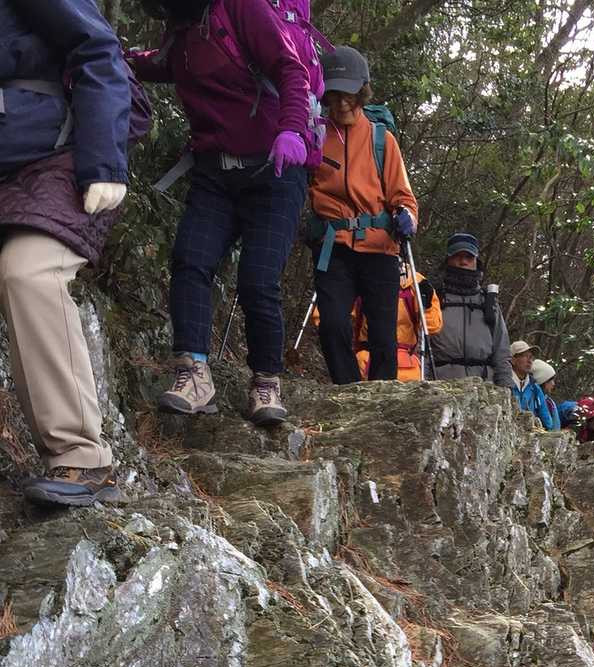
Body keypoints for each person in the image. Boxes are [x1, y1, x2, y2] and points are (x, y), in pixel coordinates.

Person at [128, 0, 319, 424]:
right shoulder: (182, 24)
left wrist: (292, 128)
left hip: (276, 169)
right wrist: (122, 59)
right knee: (190, 260)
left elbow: (291, 69)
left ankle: (266, 382)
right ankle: (194, 374)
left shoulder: (241, 7)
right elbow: (169, 64)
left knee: (258, 280)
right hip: (215, 171)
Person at [0, 0, 135, 507]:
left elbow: (96, 48)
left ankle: (83, 456)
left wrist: (103, 162)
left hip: (56, 161)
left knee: (28, 272)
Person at [308, 46, 417, 385]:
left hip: (380, 248)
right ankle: (347, 391)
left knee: (383, 335)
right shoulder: (314, 136)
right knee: (332, 324)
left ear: (362, 92)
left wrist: (407, 216)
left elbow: (403, 196)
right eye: (335, 95)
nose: (342, 103)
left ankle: (383, 397)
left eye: (349, 95)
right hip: (333, 246)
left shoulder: (382, 140)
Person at [430, 233, 512, 387]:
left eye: (469, 257)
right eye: (457, 256)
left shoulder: (488, 302)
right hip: (441, 387)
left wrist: (507, 388)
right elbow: (422, 348)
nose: (463, 262)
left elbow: (501, 351)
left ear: (476, 261)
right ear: (448, 259)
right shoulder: (434, 298)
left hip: (484, 388)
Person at [352, 257, 441, 380]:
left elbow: (432, 327)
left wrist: (428, 305)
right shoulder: (361, 278)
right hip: (369, 360)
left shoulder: (416, 283)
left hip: (405, 366)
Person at [530, 360, 560, 429]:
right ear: (542, 381)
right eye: (551, 380)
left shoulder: (549, 402)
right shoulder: (546, 402)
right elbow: (552, 427)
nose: (553, 384)